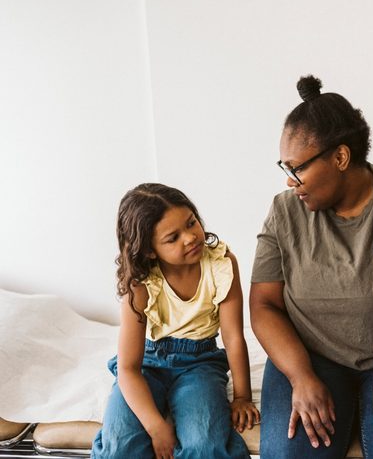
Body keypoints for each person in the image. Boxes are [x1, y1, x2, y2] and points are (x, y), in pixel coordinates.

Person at [250, 75, 373, 459]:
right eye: (286, 167)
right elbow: (263, 305)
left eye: (298, 169)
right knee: (288, 453)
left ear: (340, 158)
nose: (290, 180)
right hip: (310, 356)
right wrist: (301, 377)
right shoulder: (285, 211)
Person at [92, 183, 259, 459]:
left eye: (191, 223)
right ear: (149, 251)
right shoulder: (140, 284)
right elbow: (128, 369)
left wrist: (242, 397)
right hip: (147, 364)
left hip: (200, 364)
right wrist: (157, 428)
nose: (191, 237)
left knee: (204, 445)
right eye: (173, 237)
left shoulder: (221, 263)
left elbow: (232, 338)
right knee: (120, 448)